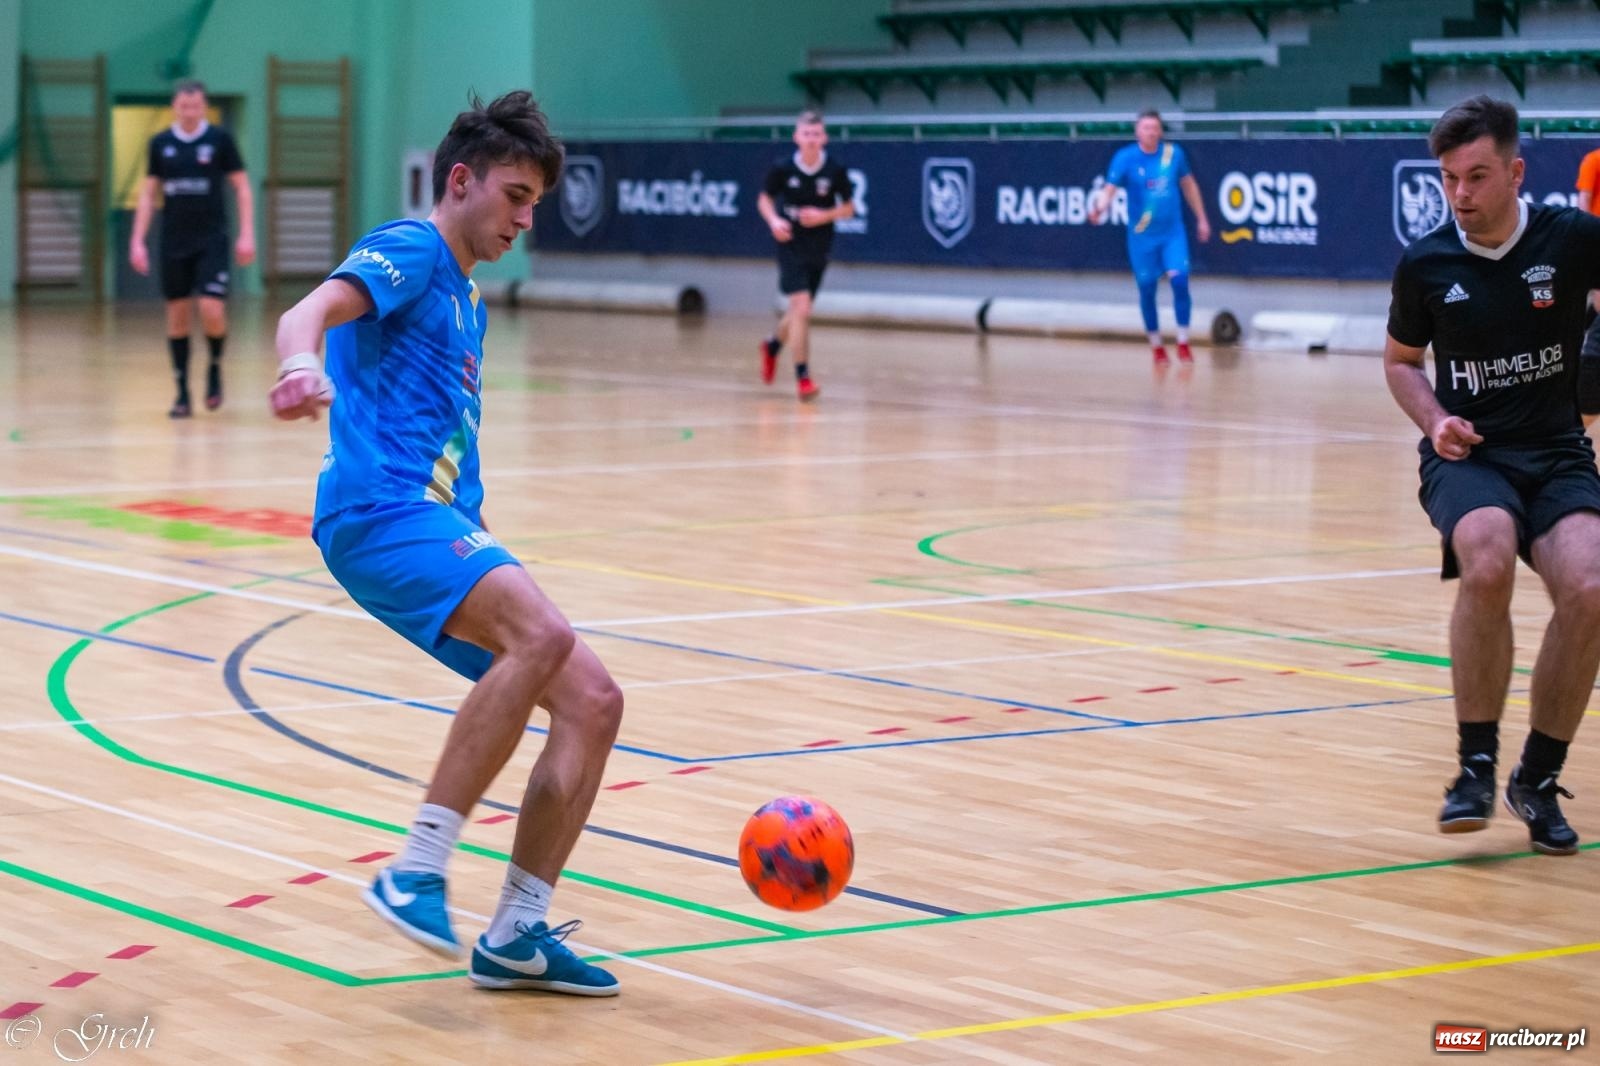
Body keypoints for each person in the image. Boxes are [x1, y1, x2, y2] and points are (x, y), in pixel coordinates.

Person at [269, 91, 624, 994]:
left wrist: (481, 542)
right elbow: (304, 313)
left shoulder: (469, 303)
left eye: (534, 205)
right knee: (541, 638)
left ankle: (518, 932)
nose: (523, 219)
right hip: (380, 512)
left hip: (437, 522)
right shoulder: (415, 249)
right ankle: (415, 869)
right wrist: (299, 364)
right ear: (460, 180)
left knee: (593, 699)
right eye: (513, 196)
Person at [1383, 95, 1600, 856]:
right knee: (1486, 554)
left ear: (1515, 171)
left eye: (1477, 177)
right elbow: (1402, 364)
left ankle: (1536, 778)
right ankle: (1474, 767)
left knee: (1592, 586)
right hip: (1469, 455)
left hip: (1558, 450)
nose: (1461, 196)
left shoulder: (1573, 240)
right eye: (1449, 180)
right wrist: (1434, 418)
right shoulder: (1428, 263)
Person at [129, 79, 254, 418]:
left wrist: (247, 234)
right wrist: (137, 240)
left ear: (203, 106)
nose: (189, 112)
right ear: (175, 106)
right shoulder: (161, 144)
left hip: (212, 240)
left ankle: (214, 365)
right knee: (178, 318)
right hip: (173, 241)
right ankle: (182, 392)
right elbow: (148, 193)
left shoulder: (219, 140)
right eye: (183, 106)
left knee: (211, 310)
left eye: (195, 106)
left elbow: (242, 187)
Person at [1087, 109, 1212, 363]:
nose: (1151, 132)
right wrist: (1099, 208)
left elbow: (1189, 186)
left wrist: (1201, 218)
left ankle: (1183, 342)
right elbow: (1109, 190)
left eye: (1155, 128)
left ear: (1161, 131)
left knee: (1180, 280)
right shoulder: (1124, 158)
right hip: (1142, 237)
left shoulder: (1173, 154)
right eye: (1146, 128)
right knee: (1146, 289)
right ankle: (1156, 346)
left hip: (1172, 234)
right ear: (1137, 131)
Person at [756, 110, 855, 402]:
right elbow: (764, 199)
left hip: (819, 245)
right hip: (790, 243)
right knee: (802, 308)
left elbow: (849, 209)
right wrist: (774, 221)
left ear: (824, 138)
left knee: (800, 310)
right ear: (797, 137)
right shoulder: (783, 168)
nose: (811, 140)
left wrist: (825, 215)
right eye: (806, 134)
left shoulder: (835, 171)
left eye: (816, 134)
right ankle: (803, 377)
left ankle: (773, 346)